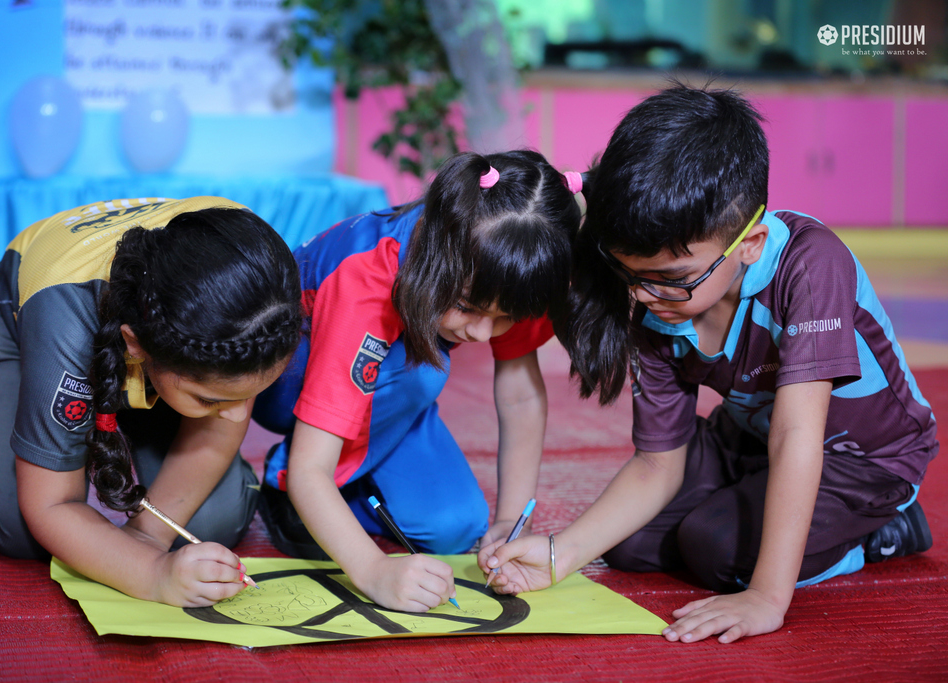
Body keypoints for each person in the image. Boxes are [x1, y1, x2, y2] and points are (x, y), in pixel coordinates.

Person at [481, 85, 937, 643]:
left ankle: (881, 531)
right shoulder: (657, 300)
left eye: (672, 279)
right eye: (631, 275)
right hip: (746, 441)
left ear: (751, 243)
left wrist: (768, 597)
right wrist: (560, 554)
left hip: (859, 457)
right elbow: (657, 465)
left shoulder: (811, 265)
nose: (646, 296)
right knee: (629, 545)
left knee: (715, 549)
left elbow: (798, 436)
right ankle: (747, 511)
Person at [252, 150, 584, 612]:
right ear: (437, 257)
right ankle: (281, 478)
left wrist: (512, 517)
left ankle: (339, 483)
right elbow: (314, 469)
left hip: (385, 395)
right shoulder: (368, 280)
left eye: (504, 317)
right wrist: (372, 571)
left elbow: (521, 394)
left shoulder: (520, 270)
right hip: (283, 383)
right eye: (467, 307)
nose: (480, 332)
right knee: (423, 371)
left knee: (455, 526)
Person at [0, 196, 302, 607]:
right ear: (135, 346)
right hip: (28, 333)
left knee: (216, 519)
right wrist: (153, 574)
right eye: (212, 398)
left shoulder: (257, 291)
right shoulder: (64, 314)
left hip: (162, 354)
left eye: (251, 394)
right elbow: (51, 504)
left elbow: (223, 405)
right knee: (18, 524)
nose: (238, 415)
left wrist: (147, 538)